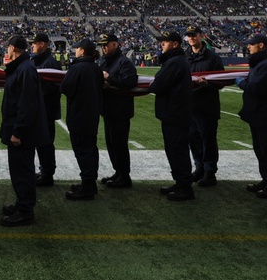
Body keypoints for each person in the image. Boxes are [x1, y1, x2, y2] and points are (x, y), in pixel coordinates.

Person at [0, 35, 48, 226]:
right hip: (18, 128)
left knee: (22, 171)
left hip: (22, 132)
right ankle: (22, 203)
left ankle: (25, 210)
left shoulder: (24, 69)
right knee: (19, 169)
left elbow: (27, 104)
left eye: (8, 47)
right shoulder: (23, 67)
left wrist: (18, 131)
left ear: (12, 48)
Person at [148, 31, 194, 202]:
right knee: (175, 150)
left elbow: (158, 84)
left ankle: (185, 187)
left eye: (165, 41)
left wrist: (154, 83)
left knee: (177, 151)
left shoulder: (174, 62)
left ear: (175, 44)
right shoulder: (176, 61)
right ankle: (180, 183)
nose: (162, 44)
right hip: (174, 113)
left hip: (175, 114)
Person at [236, 33, 267, 199]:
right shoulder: (259, 63)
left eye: (251, 44)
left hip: (264, 114)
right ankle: (266, 179)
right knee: (260, 149)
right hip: (257, 113)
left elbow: (256, 88)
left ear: (261, 45)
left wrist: (241, 83)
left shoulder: (266, 65)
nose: (248, 46)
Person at [60, 37, 103, 201]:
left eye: (77, 48)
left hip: (79, 114)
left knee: (83, 151)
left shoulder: (77, 68)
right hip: (91, 115)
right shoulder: (96, 68)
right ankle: (90, 183)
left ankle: (87, 187)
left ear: (82, 51)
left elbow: (66, 88)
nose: (75, 50)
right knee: (91, 149)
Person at [96, 32, 138, 189]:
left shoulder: (124, 62)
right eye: (102, 46)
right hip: (108, 109)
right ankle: (118, 171)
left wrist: (109, 79)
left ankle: (124, 176)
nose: (104, 48)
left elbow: (129, 82)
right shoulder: (105, 61)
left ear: (115, 44)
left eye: (106, 45)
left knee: (119, 144)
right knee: (111, 143)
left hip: (120, 110)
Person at [184, 25, 224, 187]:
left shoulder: (212, 57)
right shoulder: (184, 56)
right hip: (189, 106)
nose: (191, 38)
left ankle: (210, 171)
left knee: (208, 140)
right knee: (193, 139)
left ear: (201, 36)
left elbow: (221, 80)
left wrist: (208, 84)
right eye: (189, 35)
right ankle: (199, 167)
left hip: (207, 106)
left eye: (194, 35)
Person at [30, 32, 61, 187]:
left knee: (45, 143)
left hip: (46, 110)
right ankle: (44, 170)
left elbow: (50, 87)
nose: (32, 46)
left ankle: (47, 174)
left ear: (42, 44)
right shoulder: (42, 60)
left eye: (34, 43)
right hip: (42, 108)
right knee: (41, 142)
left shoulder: (49, 63)